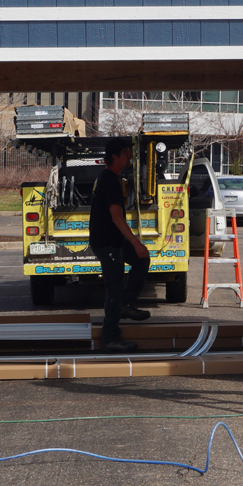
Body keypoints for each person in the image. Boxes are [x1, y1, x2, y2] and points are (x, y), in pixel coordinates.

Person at [89, 137, 151, 353]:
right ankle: (110, 338)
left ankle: (127, 304)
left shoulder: (111, 178)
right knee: (114, 289)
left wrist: (135, 247)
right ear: (114, 156)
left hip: (112, 239)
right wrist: (136, 242)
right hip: (106, 243)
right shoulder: (109, 180)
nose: (129, 156)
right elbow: (117, 217)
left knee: (141, 259)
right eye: (125, 152)